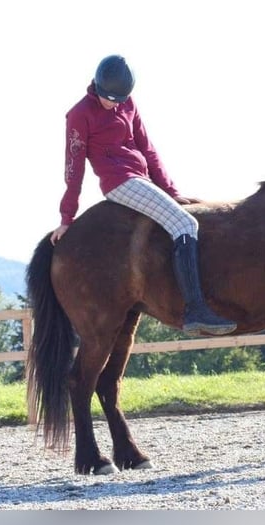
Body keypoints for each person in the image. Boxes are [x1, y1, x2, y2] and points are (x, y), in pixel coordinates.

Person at [50, 55, 236, 336]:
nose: (111, 103)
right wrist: (67, 217)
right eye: (106, 97)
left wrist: (172, 192)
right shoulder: (79, 114)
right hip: (119, 182)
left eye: (117, 99)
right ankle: (195, 309)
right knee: (186, 224)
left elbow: (148, 150)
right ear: (96, 86)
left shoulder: (128, 104)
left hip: (141, 179)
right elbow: (73, 167)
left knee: (190, 213)